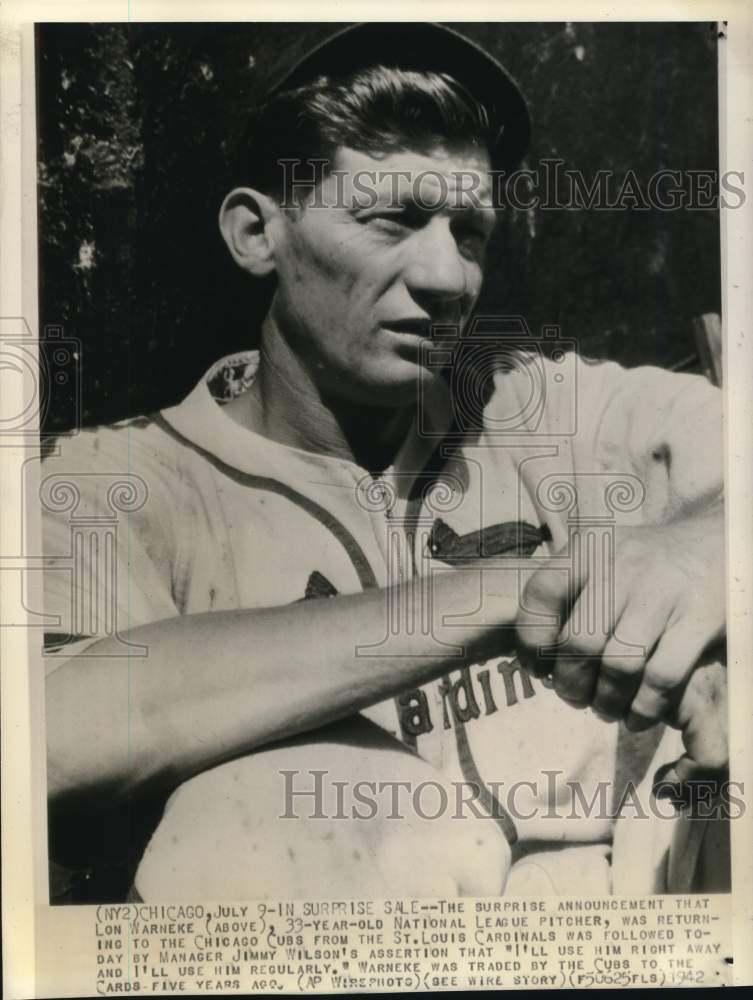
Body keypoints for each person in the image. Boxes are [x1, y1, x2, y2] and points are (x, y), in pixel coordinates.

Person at [42, 23, 728, 901]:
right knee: (285, 804)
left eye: (469, 231)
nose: (447, 275)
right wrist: (513, 589)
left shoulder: (542, 406)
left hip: (630, 927)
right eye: (393, 219)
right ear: (258, 234)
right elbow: (45, 735)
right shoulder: (108, 477)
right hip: (342, 948)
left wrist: (699, 559)